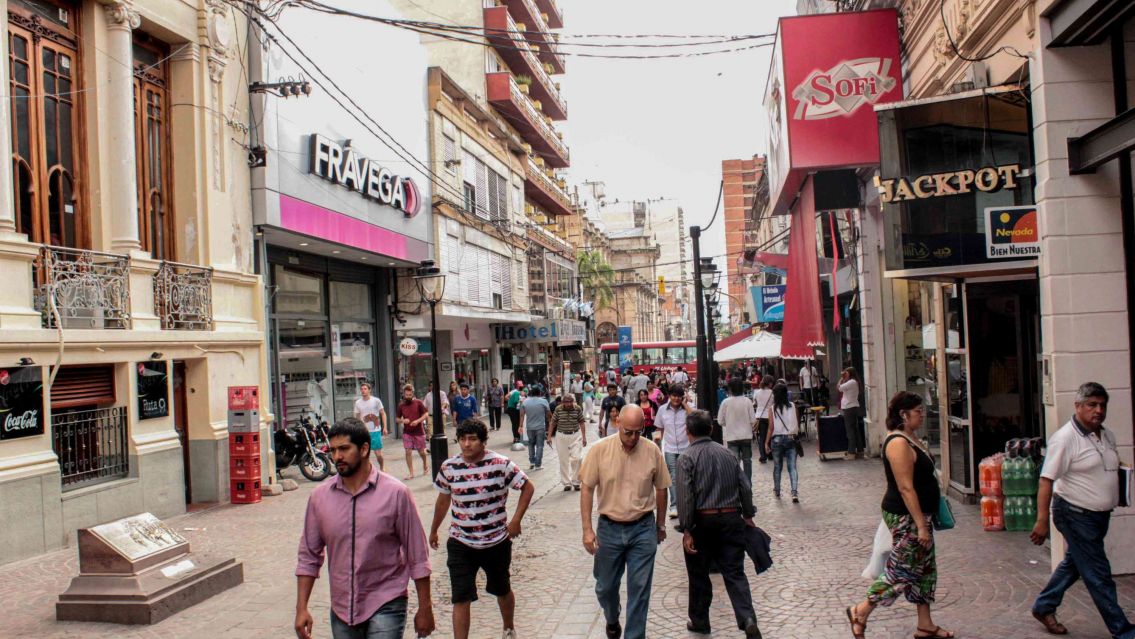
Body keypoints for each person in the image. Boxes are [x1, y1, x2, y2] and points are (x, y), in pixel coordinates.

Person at [295, 418, 434, 639]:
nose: (337, 456)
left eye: (344, 449)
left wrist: (425, 608)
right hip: (341, 607)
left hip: (387, 600)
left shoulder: (396, 494)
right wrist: (301, 607)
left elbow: (417, 555)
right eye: (333, 450)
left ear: (364, 449)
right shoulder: (319, 498)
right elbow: (308, 556)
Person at [1030, 382, 1135, 638]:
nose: (1098, 410)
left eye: (1102, 405)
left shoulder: (1106, 434)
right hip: (1075, 514)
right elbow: (1046, 480)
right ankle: (1122, 630)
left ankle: (1044, 606)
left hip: (1099, 515)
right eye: (1092, 405)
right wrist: (1042, 520)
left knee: (1075, 564)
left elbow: (1107, 467)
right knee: (1098, 573)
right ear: (1078, 406)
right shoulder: (1064, 439)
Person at [845, 392, 951, 639]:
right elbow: (905, 488)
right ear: (903, 415)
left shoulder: (910, 438)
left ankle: (925, 624)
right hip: (907, 516)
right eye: (917, 411)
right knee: (902, 571)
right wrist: (920, 526)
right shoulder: (898, 443)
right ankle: (860, 611)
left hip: (919, 515)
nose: (922, 414)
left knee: (925, 569)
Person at [430, 419, 534, 639]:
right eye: (462, 439)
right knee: (460, 596)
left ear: (483, 442)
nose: (467, 444)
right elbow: (443, 500)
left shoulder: (501, 464)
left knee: (502, 588)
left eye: (473, 439)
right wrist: (433, 529)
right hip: (461, 541)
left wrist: (516, 521)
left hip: (495, 541)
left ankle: (508, 628)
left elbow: (527, 487)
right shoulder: (449, 467)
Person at [579, 404, 671, 639]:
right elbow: (587, 488)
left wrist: (660, 524)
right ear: (617, 423)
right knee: (605, 587)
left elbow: (661, 488)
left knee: (639, 589)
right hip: (609, 528)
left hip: (642, 528)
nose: (632, 437)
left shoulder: (651, 450)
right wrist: (587, 530)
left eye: (637, 432)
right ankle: (612, 617)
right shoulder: (599, 450)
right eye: (628, 431)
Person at [676, 410, 762, 638]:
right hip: (731, 517)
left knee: (698, 574)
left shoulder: (686, 458)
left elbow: (685, 497)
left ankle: (700, 620)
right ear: (711, 429)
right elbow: (745, 487)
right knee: (735, 572)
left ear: (687, 431)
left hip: (702, 521)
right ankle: (747, 617)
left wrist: (686, 528)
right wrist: (748, 514)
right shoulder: (728, 454)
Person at [656, 384, 693, 520]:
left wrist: (685, 404)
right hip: (670, 448)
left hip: (686, 448)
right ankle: (674, 506)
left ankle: (688, 504)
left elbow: (695, 418)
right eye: (674, 396)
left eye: (679, 396)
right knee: (672, 477)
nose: (676, 399)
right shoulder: (662, 410)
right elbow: (660, 430)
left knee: (687, 476)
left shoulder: (687, 410)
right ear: (669, 396)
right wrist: (658, 448)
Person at [764, 383, 800, 503]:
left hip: (777, 439)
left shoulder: (772, 409)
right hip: (791, 438)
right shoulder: (794, 406)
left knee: (777, 466)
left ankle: (777, 490)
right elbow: (797, 423)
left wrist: (766, 443)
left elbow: (771, 427)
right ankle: (794, 492)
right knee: (792, 467)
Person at [719, 377, 758, 484]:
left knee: (734, 463)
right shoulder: (747, 401)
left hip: (732, 438)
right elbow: (753, 420)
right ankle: (748, 484)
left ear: (730, 389)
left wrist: (729, 423)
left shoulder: (725, 402)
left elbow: (720, 421)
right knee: (747, 462)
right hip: (746, 437)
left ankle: (736, 484)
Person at [548, 392, 587, 491]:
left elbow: (582, 422)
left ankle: (576, 481)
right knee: (563, 460)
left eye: (570, 401)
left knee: (577, 459)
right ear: (562, 402)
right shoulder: (558, 409)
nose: (569, 404)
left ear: (573, 401)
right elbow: (552, 423)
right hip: (561, 436)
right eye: (566, 402)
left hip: (575, 435)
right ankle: (566, 483)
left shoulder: (577, 408)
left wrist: (584, 437)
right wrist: (548, 437)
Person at [396, 384, 429, 480]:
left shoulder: (418, 402)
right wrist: (403, 420)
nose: (408, 396)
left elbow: (426, 414)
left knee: (421, 452)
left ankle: (425, 463)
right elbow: (397, 419)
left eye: (410, 395)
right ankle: (411, 473)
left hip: (419, 431)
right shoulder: (401, 405)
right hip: (407, 432)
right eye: (406, 395)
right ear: (404, 394)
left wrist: (418, 421)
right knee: (408, 451)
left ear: (413, 394)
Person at [353, 382, 388, 471]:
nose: (363, 391)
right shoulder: (358, 403)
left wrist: (385, 427)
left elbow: (383, 413)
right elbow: (356, 418)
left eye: (365, 389)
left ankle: (382, 467)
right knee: (365, 454)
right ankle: (368, 471)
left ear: (369, 390)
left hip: (375, 431)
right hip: (364, 432)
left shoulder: (376, 401)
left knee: (378, 454)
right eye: (362, 389)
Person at [519, 385, 552, 470]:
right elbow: (549, 415)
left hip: (529, 427)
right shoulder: (544, 401)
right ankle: (538, 464)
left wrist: (520, 426)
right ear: (539, 393)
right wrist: (550, 423)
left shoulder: (525, 402)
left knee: (530, 444)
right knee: (540, 445)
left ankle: (532, 462)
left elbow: (522, 415)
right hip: (540, 427)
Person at [839, 368, 864, 459]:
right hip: (853, 407)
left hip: (849, 408)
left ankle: (851, 453)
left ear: (850, 373)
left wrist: (841, 378)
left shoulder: (851, 382)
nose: (845, 374)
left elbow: (839, 388)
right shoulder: (853, 382)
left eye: (846, 373)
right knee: (855, 430)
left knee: (850, 431)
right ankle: (860, 451)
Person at [752, 375, 775, 464]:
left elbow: (755, 403)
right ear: (769, 383)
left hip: (760, 417)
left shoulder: (757, 392)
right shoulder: (772, 392)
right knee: (770, 436)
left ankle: (763, 456)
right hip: (769, 416)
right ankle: (770, 454)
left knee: (762, 437)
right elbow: (774, 404)